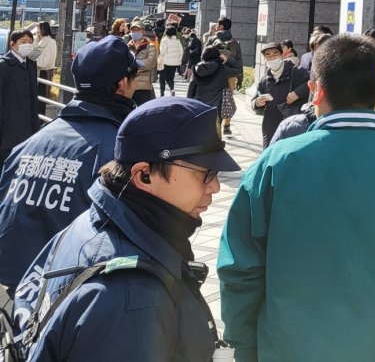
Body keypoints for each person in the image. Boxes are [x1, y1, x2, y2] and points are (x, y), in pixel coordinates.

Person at [218, 33, 375, 361]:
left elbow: (240, 268)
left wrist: (242, 344)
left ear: (317, 91)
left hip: (289, 346)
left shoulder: (275, 164)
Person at [11, 97, 240, 361]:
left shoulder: (94, 220)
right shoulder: (134, 299)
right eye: (205, 173)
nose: (216, 187)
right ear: (143, 175)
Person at [0, 36, 141, 291]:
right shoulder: (120, 153)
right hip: (68, 299)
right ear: (122, 83)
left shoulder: (29, 145)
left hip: (12, 290)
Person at [252, 42, 310, 147]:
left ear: (282, 55)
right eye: (268, 55)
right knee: (269, 157)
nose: (272, 58)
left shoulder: (296, 72)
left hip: (293, 126)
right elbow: (254, 101)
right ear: (264, 59)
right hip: (271, 128)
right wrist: (257, 102)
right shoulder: (265, 80)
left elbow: (313, 82)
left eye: (275, 54)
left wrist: (298, 93)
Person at [0, 30, 39, 165]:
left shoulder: (31, 65)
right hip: (8, 129)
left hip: (28, 128)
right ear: (12, 44)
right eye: (23, 42)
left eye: (30, 42)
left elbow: (34, 98)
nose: (27, 45)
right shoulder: (4, 65)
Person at [187, 46, 239, 120]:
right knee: (215, 129)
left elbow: (191, 89)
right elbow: (238, 70)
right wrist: (227, 59)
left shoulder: (196, 69)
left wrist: (189, 105)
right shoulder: (222, 69)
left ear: (203, 55)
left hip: (199, 106)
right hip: (216, 108)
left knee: (200, 129)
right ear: (218, 56)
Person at [213, 17, 243, 135]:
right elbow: (239, 61)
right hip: (231, 75)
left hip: (215, 74)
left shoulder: (212, 40)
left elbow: (204, 57)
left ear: (221, 26)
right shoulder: (235, 42)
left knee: (215, 99)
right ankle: (226, 124)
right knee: (228, 99)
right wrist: (240, 77)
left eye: (217, 24)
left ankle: (217, 127)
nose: (215, 26)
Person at [29, 22, 58, 116]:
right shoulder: (35, 40)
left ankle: (40, 118)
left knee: (41, 98)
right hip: (33, 71)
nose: (37, 30)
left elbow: (45, 61)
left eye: (38, 28)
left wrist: (32, 57)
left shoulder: (50, 42)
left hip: (43, 73)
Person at [127, 19, 157, 105]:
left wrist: (133, 66)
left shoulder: (150, 46)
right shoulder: (127, 46)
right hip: (129, 86)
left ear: (143, 31)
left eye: (138, 30)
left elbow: (150, 63)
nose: (135, 32)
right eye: (133, 30)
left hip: (144, 87)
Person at [158, 25, 183, 96]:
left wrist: (160, 57)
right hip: (174, 63)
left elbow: (162, 51)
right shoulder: (178, 41)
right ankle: (172, 89)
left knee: (162, 78)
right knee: (170, 78)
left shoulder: (165, 40)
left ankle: (162, 93)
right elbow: (181, 51)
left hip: (165, 62)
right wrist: (178, 60)